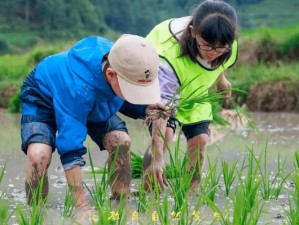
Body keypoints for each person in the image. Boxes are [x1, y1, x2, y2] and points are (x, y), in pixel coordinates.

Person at [19, 34, 169, 214]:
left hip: (93, 96)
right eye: (133, 91)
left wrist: (145, 108)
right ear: (110, 74)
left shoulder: (127, 58)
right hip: (43, 96)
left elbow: (122, 92)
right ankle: (36, 212)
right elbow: (70, 146)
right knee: (38, 155)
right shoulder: (79, 89)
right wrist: (82, 206)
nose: (135, 94)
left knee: (121, 141)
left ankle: (121, 205)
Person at [141, 0, 238, 191]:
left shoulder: (226, 42)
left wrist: (221, 79)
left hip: (196, 90)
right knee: (165, 138)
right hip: (162, 89)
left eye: (221, 48)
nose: (214, 53)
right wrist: (158, 157)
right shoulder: (168, 55)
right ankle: (148, 192)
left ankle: (189, 197)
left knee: (200, 140)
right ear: (193, 32)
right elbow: (162, 106)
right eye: (207, 46)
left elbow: (220, 59)